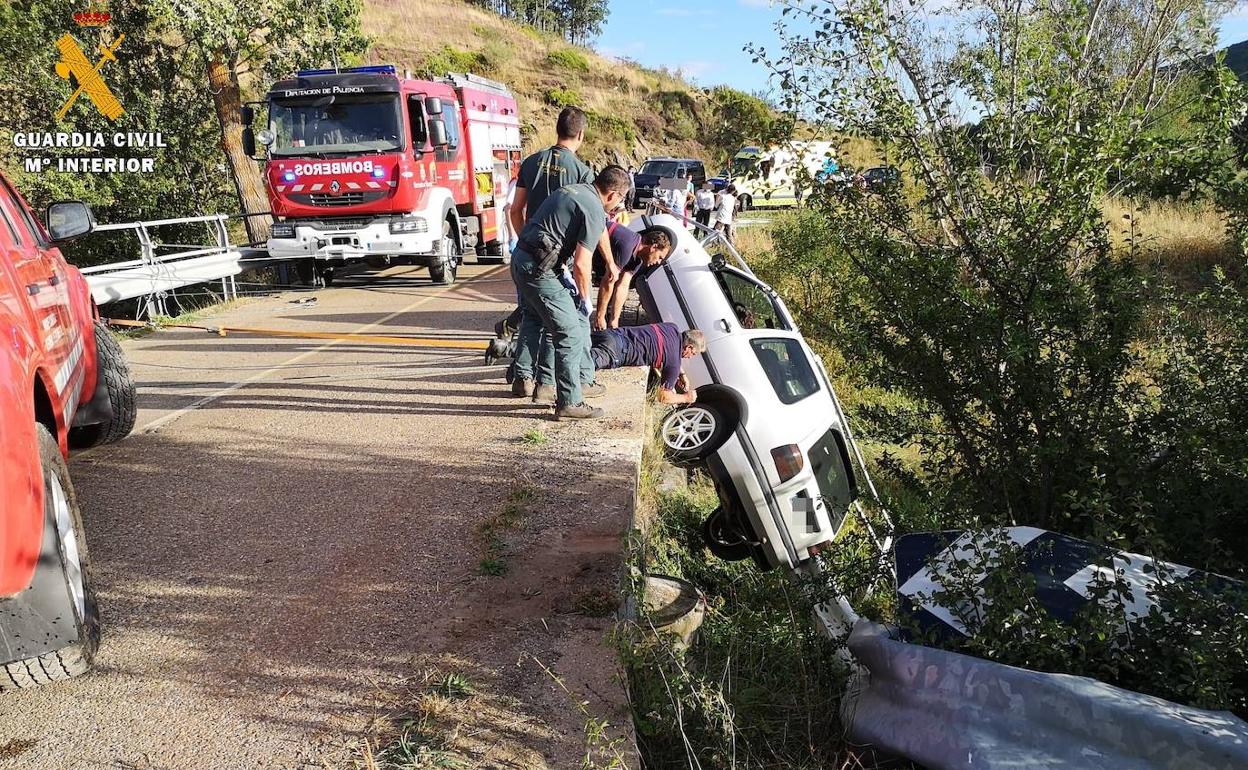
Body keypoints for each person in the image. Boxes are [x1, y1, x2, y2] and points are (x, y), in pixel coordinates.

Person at [505, 106, 615, 395]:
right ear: (581, 134)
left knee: (531, 315)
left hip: (528, 252)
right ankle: (554, 382)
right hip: (558, 257)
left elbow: (515, 210)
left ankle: (523, 377)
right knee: (563, 320)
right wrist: (609, 261)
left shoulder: (531, 162)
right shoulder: (582, 172)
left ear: (557, 129)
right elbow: (594, 221)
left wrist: (527, 240)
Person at [511, 165, 629, 420]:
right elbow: (582, 265)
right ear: (613, 194)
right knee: (571, 333)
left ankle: (535, 383)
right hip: (540, 270)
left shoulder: (572, 191)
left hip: (522, 260)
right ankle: (570, 402)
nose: (618, 206)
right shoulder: (594, 208)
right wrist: (586, 301)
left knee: (536, 319)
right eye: (620, 200)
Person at [589, 323, 705, 405]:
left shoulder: (671, 327)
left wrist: (682, 374)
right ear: (689, 347)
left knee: (578, 349)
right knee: (582, 367)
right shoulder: (673, 364)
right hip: (615, 352)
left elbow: (668, 350)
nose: (690, 357)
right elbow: (664, 397)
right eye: (693, 353)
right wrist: (686, 398)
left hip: (611, 334)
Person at [594, 228, 673, 330]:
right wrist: (600, 317)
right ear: (653, 247)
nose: (658, 262)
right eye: (660, 257)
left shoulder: (637, 260)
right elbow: (609, 279)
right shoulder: (627, 245)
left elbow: (623, 286)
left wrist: (614, 321)